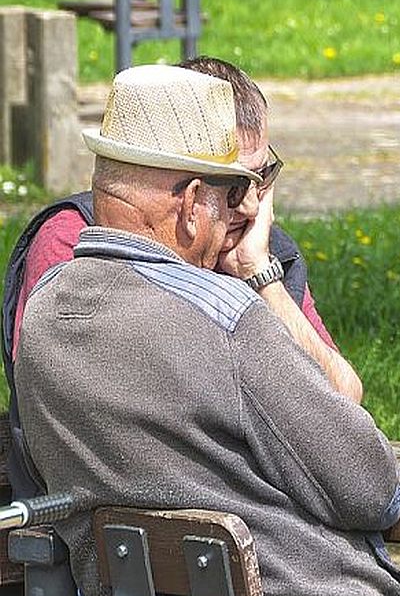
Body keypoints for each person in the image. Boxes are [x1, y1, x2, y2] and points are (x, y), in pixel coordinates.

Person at [14, 64, 400, 596]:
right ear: (192, 202)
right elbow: (373, 486)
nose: (248, 211)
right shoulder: (227, 318)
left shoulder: (42, 315)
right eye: (233, 193)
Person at [2, 56, 361, 501]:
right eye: (232, 185)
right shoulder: (73, 246)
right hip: (123, 534)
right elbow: (94, 418)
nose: (248, 206)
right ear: (191, 192)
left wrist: (260, 278)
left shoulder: (260, 252)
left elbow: (344, 417)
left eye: (262, 178)